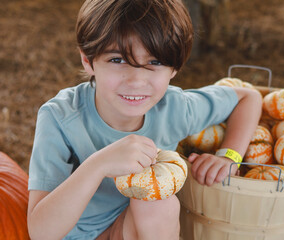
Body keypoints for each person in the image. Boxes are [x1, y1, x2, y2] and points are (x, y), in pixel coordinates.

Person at [27, 0, 263, 239]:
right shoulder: (60, 117)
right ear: (88, 60)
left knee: (157, 202)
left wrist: (229, 156)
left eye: (154, 62)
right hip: (71, 234)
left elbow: (249, 98)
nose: (136, 80)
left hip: (129, 229)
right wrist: (97, 165)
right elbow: (40, 233)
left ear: (174, 69)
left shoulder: (174, 108)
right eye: (117, 60)